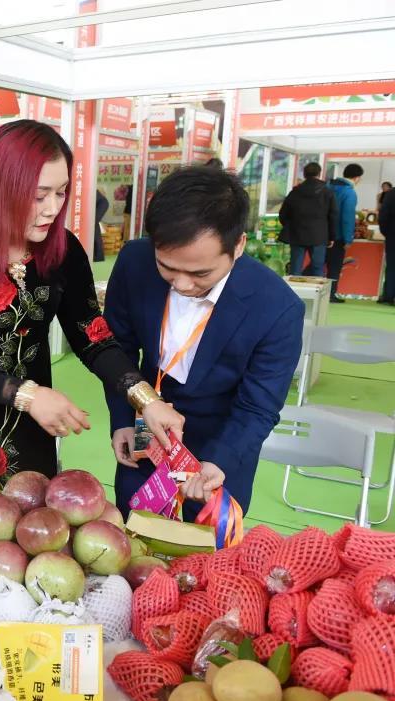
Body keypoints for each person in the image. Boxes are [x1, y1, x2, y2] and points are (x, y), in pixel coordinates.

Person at [0, 120, 183, 479]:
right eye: (38, 196)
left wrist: (146, 399)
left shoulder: (62, 250)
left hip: (30, 427)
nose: (52, 208)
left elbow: (93, 338)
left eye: (61, 192)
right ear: (1, 187)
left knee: (31, 520)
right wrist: (28, 395)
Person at [103, 166, 305, 520]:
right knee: (132, 540)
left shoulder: (276, 308)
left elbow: (258, 406)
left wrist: (221, 459)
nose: (181, 284)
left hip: (221, 445)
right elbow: (116, 348)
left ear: (238, 245)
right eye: (167, 267)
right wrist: (122, 417)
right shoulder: (135, 263)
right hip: (145, 431)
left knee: (209, 558)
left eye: (200, 274)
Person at [279, 162, 336, 277]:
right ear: (319, 174)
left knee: (295, 269)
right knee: (317, 269)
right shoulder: (327, 192)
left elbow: (283, 214)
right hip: (319, 236)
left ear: (304, 174)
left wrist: (291, 225)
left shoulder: (295, 192)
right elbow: (333, 215)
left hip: (297, 234)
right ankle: (315, 294)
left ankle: (294, 294)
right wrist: (331, 236)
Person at [328, 163, 364, 303]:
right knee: (335, 266)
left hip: (324, 233)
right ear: (357, 178)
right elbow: (347, 218)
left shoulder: (329, 187)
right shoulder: (349, 192)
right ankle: (331, 293)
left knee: (318, 263)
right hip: (338, 236)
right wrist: (348, 238)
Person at [379, 184, 395, 305]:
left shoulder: (391, 194)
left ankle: (388, 296)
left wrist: (386, 232)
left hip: (392, 235)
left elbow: (383, 215)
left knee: (391, 266)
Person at [93, 189, 109, 262]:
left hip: (102, 203)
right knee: (94, 227)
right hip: (97, 204)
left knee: (93, 224)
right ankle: (97, 255)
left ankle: (98, 256)